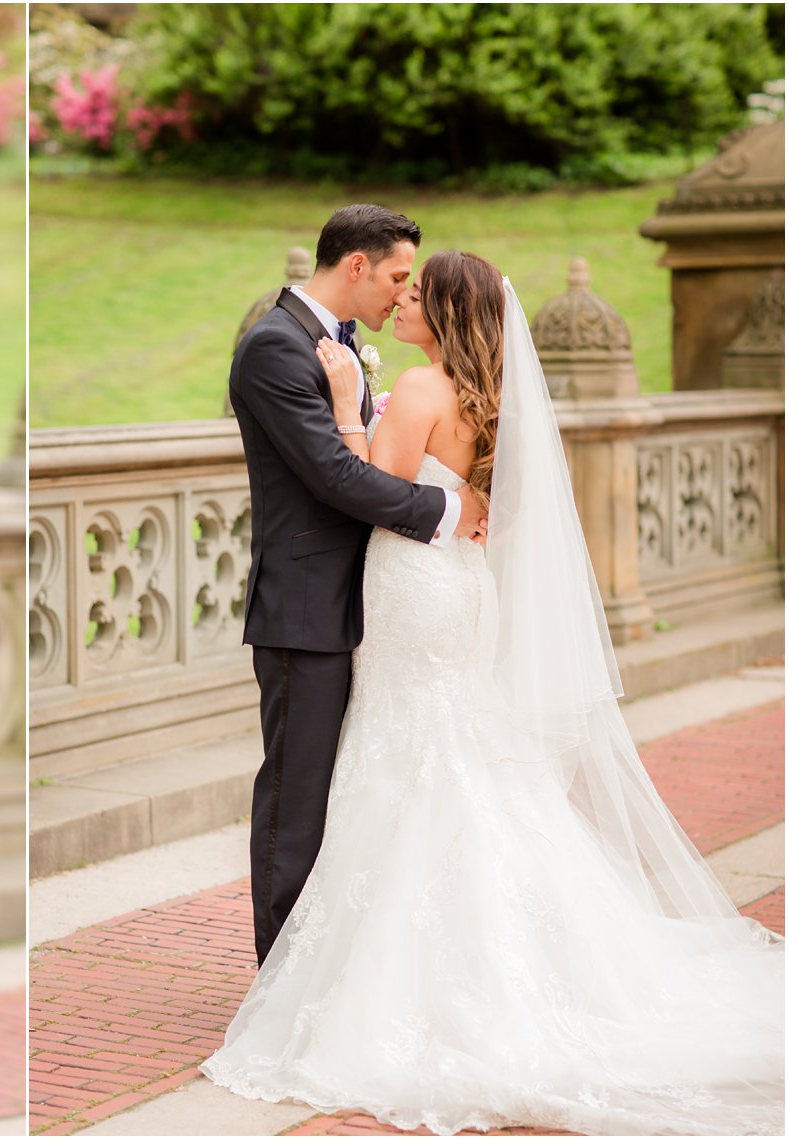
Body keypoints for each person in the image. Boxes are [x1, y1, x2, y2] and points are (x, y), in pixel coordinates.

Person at [203, 251, 784, 1135]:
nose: (400, 302)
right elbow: (494, 506)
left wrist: (351, 409)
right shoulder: (494, 397)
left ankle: (399, 980)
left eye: (414, 293)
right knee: (462, 750)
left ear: (441, 312)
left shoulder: (426, 390)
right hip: (463, 587)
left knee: (413, 756)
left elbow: (375, 491)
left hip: (411, 590)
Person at [227, 204, 488, 965]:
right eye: (399, 277)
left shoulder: (341, 347)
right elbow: (339, 477)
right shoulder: (275, 348)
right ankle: (280, 972)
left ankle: (336, 964)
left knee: (358, 792)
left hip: (378, 605)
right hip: (305, 606)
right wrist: (447, 507)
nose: (403, 295)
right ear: (356, 267)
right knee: (296, 796)